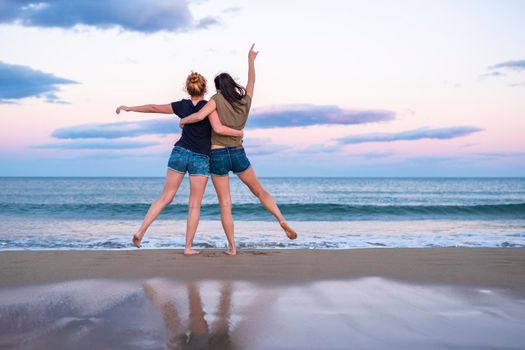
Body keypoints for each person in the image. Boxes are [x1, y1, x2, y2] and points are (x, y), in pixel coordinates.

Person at [180, 45, 298, 256]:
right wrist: (251, 61)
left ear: (217, 88)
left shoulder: (215, 100)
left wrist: (184, 120)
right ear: (233, 85)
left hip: (217, 155)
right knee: (259, 191)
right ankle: (281, 219)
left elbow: (199, 117)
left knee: (225, 204)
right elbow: (252, 82)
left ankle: (233, 248)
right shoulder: (245, 101)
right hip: (238, 153)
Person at [116, 72, 243, 255]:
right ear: (205, 88)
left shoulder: (181, 106)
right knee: (194, 205)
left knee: (165, 197)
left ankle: (141, 231)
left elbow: (153, 108)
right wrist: (238, 132)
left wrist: (129, 108)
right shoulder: (210, 106)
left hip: (179, 152)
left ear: (187, 88)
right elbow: (219, 128)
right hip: (200, 157)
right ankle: (188, 248)